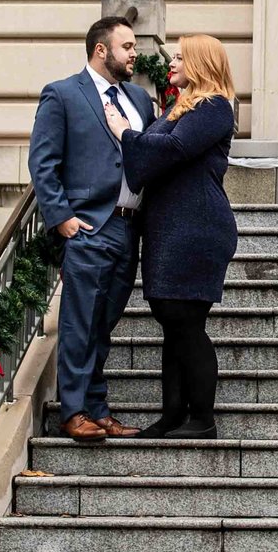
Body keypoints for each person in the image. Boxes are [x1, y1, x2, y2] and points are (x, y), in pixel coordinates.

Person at [28, 15, 161, 443]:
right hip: (88, 227)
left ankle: (99, 408)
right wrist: (62, 217)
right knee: (79, 322)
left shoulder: (140, 101)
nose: (134, 53)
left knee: (104, 324)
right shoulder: (63, 95)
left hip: (129, 229)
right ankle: (74, 410)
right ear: (101, 49)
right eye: (127, 46)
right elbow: (43, 162)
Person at [102, 34, 240, 439]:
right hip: (171, 227)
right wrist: (139, 140)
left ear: (199, 64)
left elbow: (173, 149)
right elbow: (157, 150)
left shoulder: (214, 106)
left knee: (184, 320)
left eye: (180, 57)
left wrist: (126, 133)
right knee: (172, 319)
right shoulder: (180, 106)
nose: (171, 63)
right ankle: (172, 415)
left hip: (196, 228)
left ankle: (202, 420)